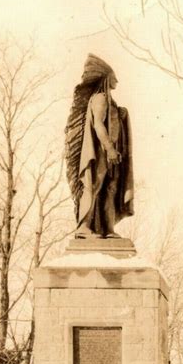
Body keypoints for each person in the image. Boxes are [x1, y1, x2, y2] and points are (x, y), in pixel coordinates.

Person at [65, 54, 134, 238]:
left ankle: (108, 229)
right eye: (114, 77)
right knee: (93, 186)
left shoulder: (111, 102)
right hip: (100, 153)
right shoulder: (100, 98)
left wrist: (120, 115)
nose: (117, 81)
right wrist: (110, 148)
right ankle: (83, 227)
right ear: (106, 78)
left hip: (112, 153)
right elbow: (98, 125)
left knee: (110, 189)